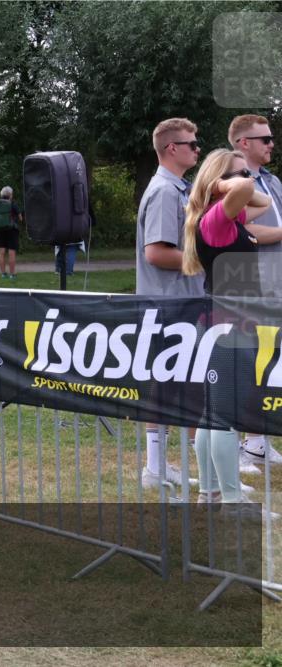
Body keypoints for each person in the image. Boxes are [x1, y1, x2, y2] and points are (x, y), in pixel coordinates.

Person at [181, 148, 282, 509]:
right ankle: (233, 500)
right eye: (238, 173)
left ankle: (209, 493)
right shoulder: (216, 221)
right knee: (225, 416)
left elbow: (264, 200)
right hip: (229, 327)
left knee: (213, 415)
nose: (247, 178)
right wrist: (225, 182)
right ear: (220, 182)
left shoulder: (229, 220)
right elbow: (244, 189)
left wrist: (231, 181)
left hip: (227, 324)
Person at [135, 118, 204, 490]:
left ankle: (168, 466)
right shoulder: (164, 191)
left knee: (185, 385)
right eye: (192, 144)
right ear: (171, 149)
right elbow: (156, 253)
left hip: (182, 302)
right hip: (169, 305)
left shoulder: (180, 188)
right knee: (165, 385)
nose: (197, 149)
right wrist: (204, 259)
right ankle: (155, 467)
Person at [228, 115, 282, 469]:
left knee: (270, 361)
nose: (271, 144)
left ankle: (259, 440)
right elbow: (244, 232)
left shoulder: (273, 181)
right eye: (264, 139)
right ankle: (239, 441)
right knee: (245, 361)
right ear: (243, 143)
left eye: (272, 138)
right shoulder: (233, 183)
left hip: (275, 283)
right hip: (248, 283)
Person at [0, 186, 22, 280]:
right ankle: (12, 275)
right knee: (11, 253)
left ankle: (3, 274)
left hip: (1, 230)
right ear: (10, 195)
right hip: (12, 230)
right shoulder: (12, 204)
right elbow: (20, 218)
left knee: (1, 252)